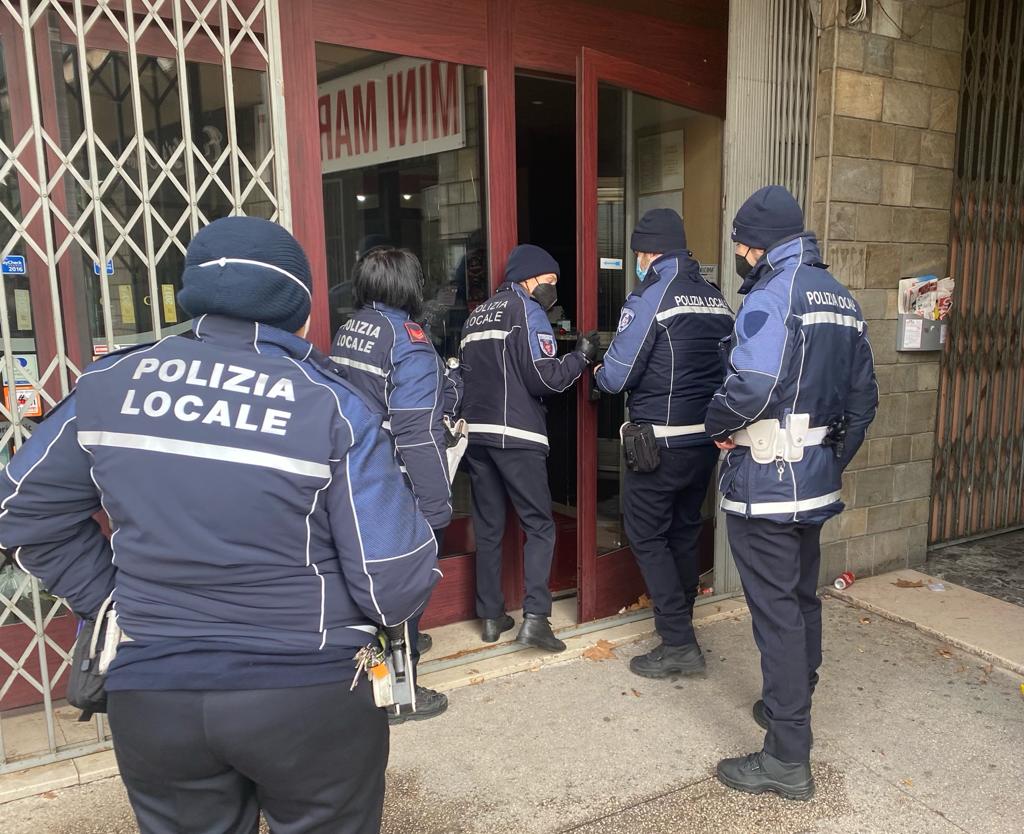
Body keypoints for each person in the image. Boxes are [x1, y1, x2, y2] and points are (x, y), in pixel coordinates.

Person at [0, 217, 440, 834]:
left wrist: (109, 596)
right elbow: (390, 579)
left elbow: (20, 512)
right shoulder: (332, 405)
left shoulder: (110, 384)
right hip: (309, 692)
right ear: (300, 308)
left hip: (154, 692)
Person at [706, 186, 878, 801]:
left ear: (752, 244)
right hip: (812, 485)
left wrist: (718, 427)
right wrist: (827, 461)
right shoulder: (843, 299)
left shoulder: (774, 293)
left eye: (738, 246)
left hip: (766, 484)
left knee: (776, 616)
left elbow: (752, 381)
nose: (738, 256)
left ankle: (786, 755)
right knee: (802, 602)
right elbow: (864, 404)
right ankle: (790, 706)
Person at [594, 208, 733, 679]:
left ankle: (678, 642)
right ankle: (683, 622)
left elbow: (617, 376)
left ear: (646, 252)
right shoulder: (717, 299)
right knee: (682, 530)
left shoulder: (653, 296)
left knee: (647, 534)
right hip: (706, 442)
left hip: (660, 443)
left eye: (637, 254)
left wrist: (594, 367)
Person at [331, 246, 460, 723]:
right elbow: (417, 432)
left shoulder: (351, 329)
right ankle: (398, 695)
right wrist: (436, 505)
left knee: (368, 586)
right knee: (403, 587)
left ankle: (380, 673)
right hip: (391, 480)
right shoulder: (408, 341)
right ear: (410, 285)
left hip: (350, 473)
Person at [459, 244, 599, 651]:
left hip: (478, 439)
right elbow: (546, 379)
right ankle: (536, 618)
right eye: (550, 281)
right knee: (539, 526)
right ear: (529, 278)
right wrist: (581, 357)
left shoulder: (476, 316)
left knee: (489, 528)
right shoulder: (526, 311)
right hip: (517, 437)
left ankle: (490, 616)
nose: (553, 289)